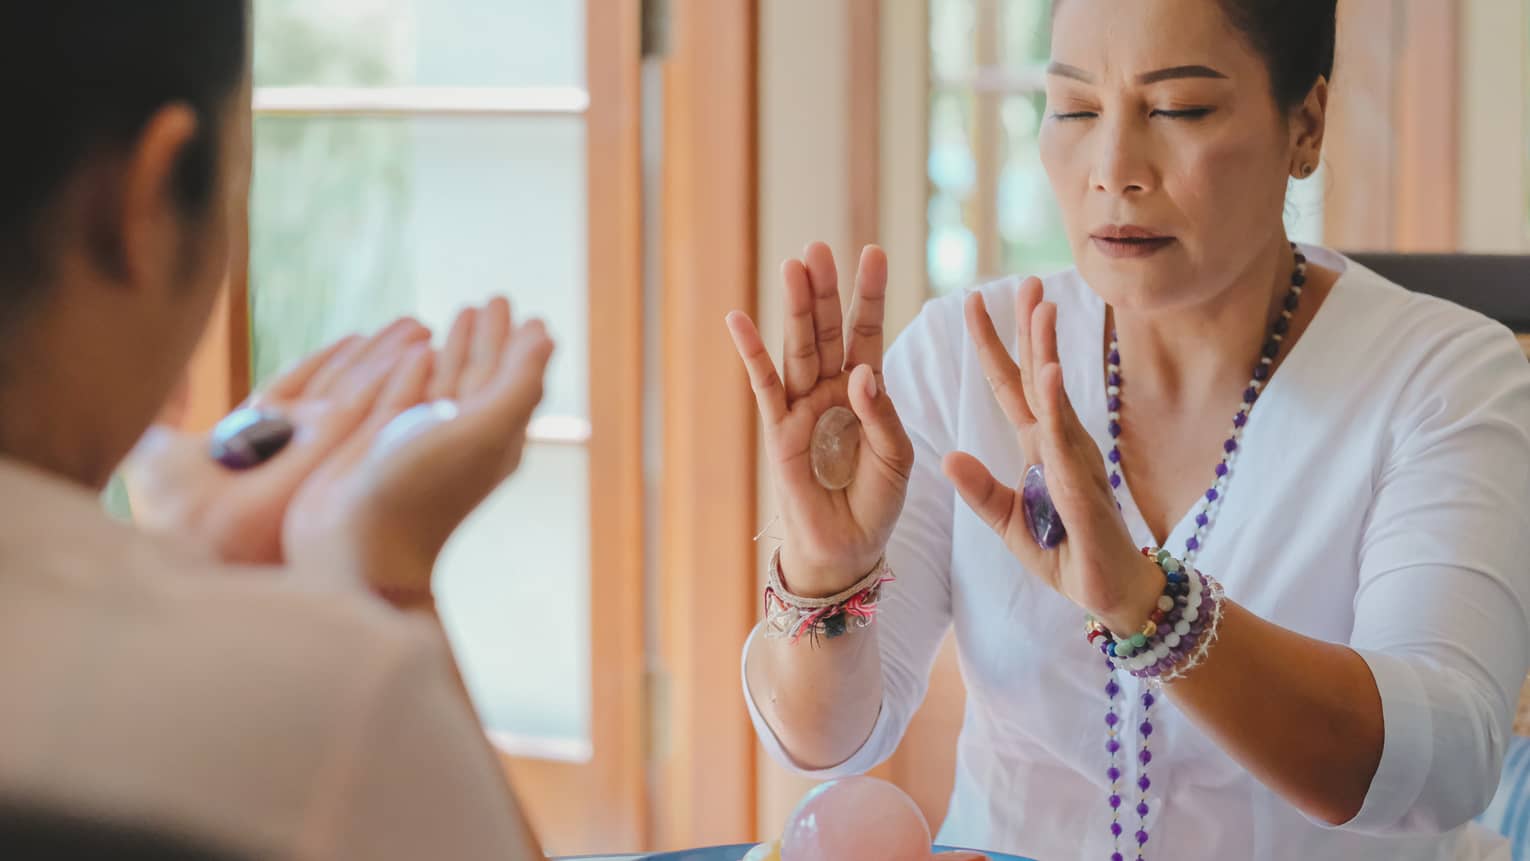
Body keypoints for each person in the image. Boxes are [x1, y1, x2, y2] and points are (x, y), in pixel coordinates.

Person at [728, 0, 1530, 858]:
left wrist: (1148, 608)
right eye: (1074, 110)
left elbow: (1444, 763)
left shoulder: (1448, 378)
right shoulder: (962, 356)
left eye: (1179, 110)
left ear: (1306, 124)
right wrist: (824, 573)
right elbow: (827, 738)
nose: (1112, 168)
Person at [0, 3, 555, 859]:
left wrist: (190, 559)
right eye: (234, 188)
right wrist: (378, 580)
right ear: (145, 202)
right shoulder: (336, 706)